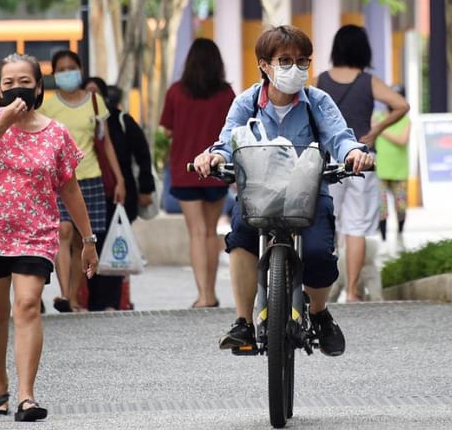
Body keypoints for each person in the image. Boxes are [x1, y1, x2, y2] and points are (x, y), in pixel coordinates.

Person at [193, 25, 373, 356]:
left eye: (303, 61)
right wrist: (213, 156)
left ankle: (319, 314)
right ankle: (243, 323)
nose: (296, 68)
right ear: (264, 64)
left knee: (319, 253)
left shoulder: (318, 101)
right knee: (241, 238)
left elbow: (340, 136)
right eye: (286, 60)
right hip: (257, 195)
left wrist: (353, 154)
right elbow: (228, 140)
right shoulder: (246, 101)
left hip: (308, 194)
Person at [0, 53, 97, 421]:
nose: (16, 88)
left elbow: (69, 190)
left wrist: (88, 240)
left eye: (24, 81)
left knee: (29, 305)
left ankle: (26, 396)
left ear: (38, 86)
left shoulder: (56, 133)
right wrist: (2, 124)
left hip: (36, 235)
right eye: (8, 83)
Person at [316, 25, 409, 302]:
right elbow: (402, 105)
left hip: (328, 160)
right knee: (356, 227)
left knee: (326, 223)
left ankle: (324, 287)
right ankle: (353, 291)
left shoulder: (321, 80)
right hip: (361, 159)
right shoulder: (368, 81)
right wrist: (376, 130)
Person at [38, 51, 125, 313]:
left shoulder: (96, 102)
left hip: (91, 178)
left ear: (80, 69)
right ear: (54, 74)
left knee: (81, 241)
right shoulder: (47, 106)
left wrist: (119, 178)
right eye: (61, 69)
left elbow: (106, 141)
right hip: (58, 180)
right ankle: (64, 294)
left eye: (71, 68)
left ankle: (75, 299)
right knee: (63, 231)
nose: (67, 73)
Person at [160, 38, 235, 309]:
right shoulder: (226, 94)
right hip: (216, 168)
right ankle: (211, 293)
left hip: (186, 168)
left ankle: (202, 294)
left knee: (196, 232)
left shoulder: (176, 92)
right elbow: (235, 130)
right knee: (211, 231)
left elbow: (166, 130)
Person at [84, 78, 156, 310]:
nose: (92, 97)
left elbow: (143, 155)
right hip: (90, 190)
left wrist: (146, 188)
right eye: (88, 92)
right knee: (91, 245)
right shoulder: (79, 122)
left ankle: (111, 301)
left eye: (96, 92)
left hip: (120, 194)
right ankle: (89, 298)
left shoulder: (121, 120)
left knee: (112, 244)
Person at [374, 85, 411, 245]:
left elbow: (402, 140)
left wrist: (381, 128)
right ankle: (382, 239)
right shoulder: (377, 115)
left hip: (399, 169)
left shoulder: (406, 120)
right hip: (380, 168)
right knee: (381, 207)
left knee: (401, 206)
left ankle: (400, 233)